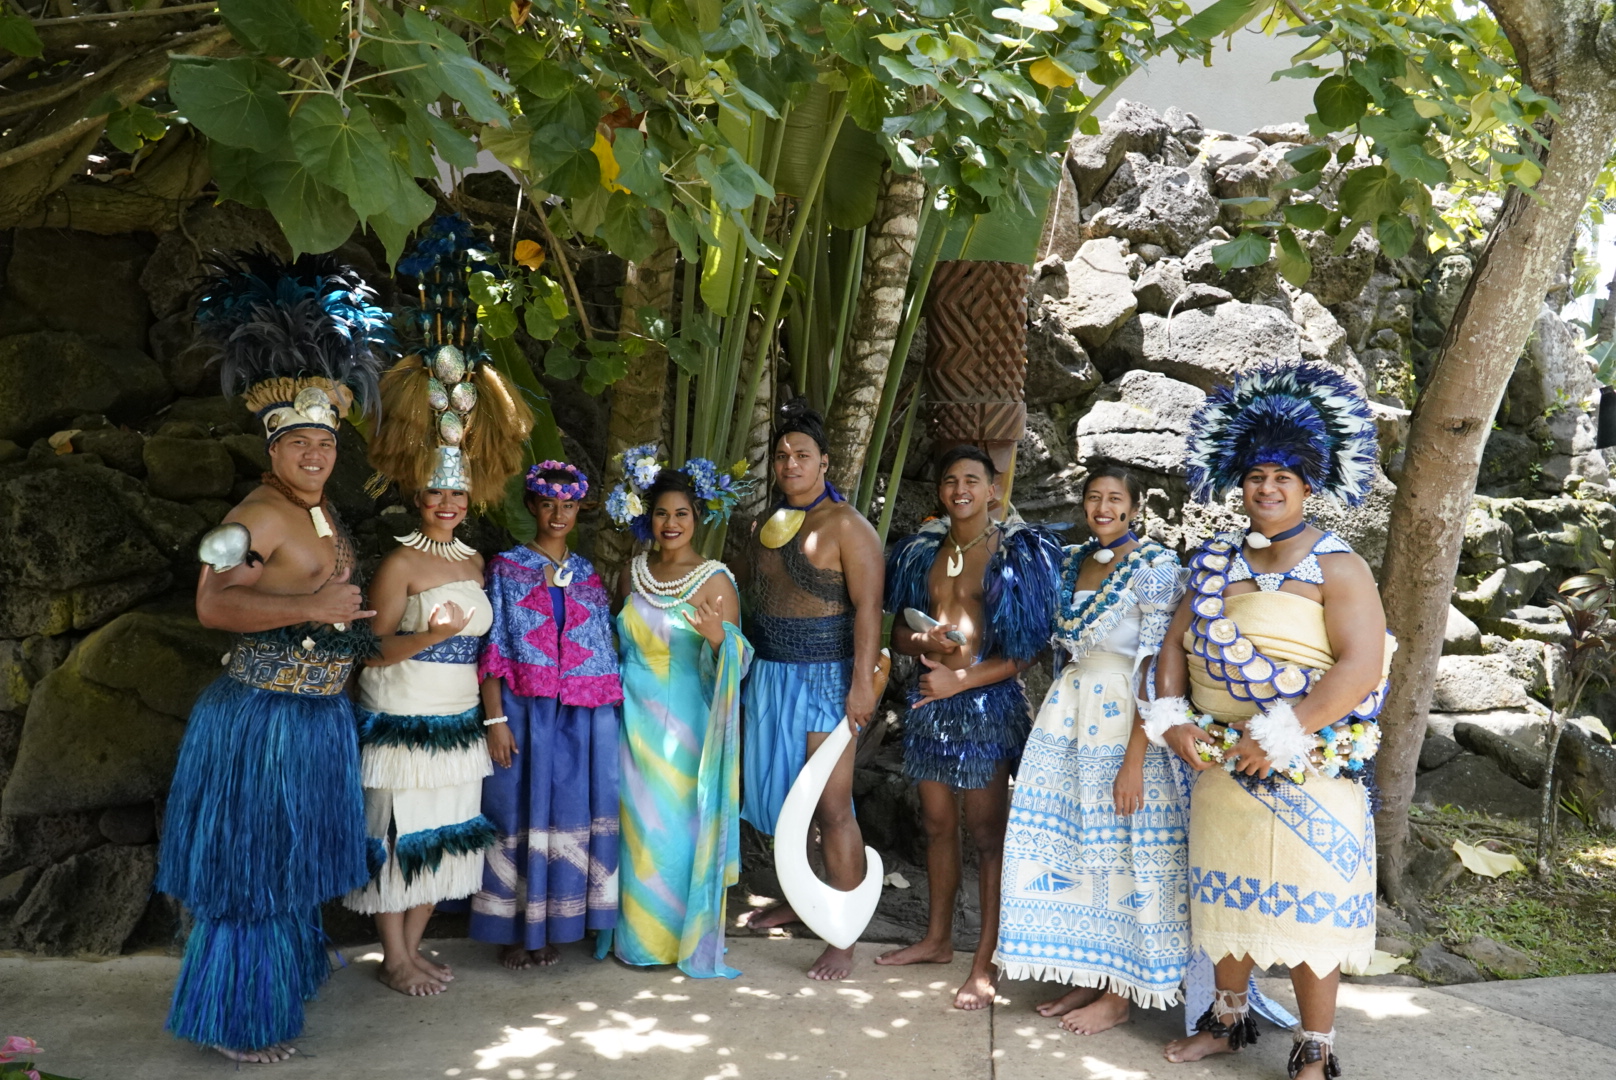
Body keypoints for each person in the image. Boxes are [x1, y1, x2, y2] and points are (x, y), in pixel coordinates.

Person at [155, 253, 392, 1063]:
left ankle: (278, 983)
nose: (315, 453)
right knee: (253, 873)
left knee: (288, 871)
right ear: (274, 448)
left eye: (324, 439)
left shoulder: (318, 512)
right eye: (299, 442)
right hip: (262, 718)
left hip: (313, 713)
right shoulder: (255, 516)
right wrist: (309, 608)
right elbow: (213, 602)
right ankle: (236, 1020)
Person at [1144, 363, 1392, 1080]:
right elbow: (1173, 648)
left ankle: (1314, 1047)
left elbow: (1359, 667)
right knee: (1228, 899)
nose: (1268, 488)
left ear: (1309, 487)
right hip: (1222, 764)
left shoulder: (1340, 567)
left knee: (1311, 912)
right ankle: (1226, 1021)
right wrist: (1172, 720)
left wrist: (1282, 732)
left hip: (1309, 762)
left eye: (1284, 477)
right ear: (1239, 484)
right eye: (1256, 476)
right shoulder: (1214, 561)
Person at [345, 219, 534, 994]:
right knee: (399, 835)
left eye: (458, 491)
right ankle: (392, 958)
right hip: (404, 718)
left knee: (444, 837)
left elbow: (486, 652)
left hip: (458, 722)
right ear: (416, 492)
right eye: (436, 491)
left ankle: (414, 948)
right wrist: (430, 638)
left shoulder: (475, 559)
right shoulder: (400, 562)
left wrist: (493, 720)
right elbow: (370, 650)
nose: (448, 502)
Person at [993, 460, 1189, 1032]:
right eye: (1094, 498)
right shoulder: (1074, 561)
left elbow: (1155, 667)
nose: (1103, 509)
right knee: (1076, 844)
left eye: (1114, 499)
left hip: (1126, 719)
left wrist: (1135, 759)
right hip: (1068, 715)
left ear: (1133, 506)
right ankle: (1089, 973)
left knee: (1123, 851)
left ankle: (1122, 993)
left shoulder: (1154, 567)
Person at [877, 445, 1061, 1010]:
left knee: (987, 836)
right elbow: (898, 635)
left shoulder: (1015, 553)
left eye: (972, 480)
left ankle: (985, 959)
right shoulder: (921, 552)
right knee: (935, 824)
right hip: (931, 703)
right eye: (951, 479)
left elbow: (1029, 649)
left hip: (986, 705)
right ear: (942, 491)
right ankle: (936, 940)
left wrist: (963, 681)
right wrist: (920, 642)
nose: (961, 489)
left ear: (992, 490)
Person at [737, 400, 885, 981]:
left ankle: (843, 932)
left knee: (831, 805)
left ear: (824, 461)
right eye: (781, 456)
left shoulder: (849, 527)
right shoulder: (762, 526)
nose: (790, 463)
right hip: (771, 677)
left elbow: (869, 611)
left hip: (827, 678)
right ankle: (803, 904)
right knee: (786, 806)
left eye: (802, 455)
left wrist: (862, 687)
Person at [471, 462, 623, 969]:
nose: (559, 515)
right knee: (519, 810)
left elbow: (601, 652)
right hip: (524, 709)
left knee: (568, 815)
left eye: (570, 506)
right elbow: (490, 649)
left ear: (579, 511)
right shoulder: (507, 568)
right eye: (549, 504)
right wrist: (495, 720)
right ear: (532, 506)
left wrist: (604, 727)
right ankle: (517, 930)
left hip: (580, 717)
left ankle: (554, 925)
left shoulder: (587, 575)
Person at [609, 459, 752, 977]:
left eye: (682, 514)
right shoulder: (631, 573)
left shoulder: (716, 581)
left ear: (699, 518)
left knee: (672, 829)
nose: (671, 523)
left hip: (686, 725)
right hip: (630, 720)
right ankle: (635, 939)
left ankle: (674, 941)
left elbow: (736, 663)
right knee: (634, 828)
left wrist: (720, 640)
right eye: (662, 513)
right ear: (647, 518)